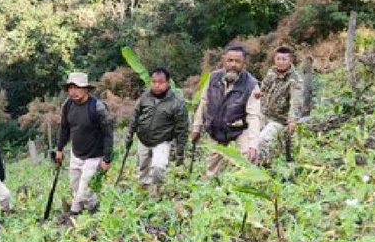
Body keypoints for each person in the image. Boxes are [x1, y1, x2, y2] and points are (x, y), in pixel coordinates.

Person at [191, 46, 262, 176]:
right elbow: (204, 103)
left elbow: (253, 116)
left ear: (244, 63)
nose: (233, 64)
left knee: (248, 160)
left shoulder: (251, 85)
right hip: (216, 127)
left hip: (240, 127)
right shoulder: (213, 78)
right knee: (211, 169)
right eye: (230, 60)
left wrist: (253, 145)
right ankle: (211, 186)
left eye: (237, 61)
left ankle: (245, 184)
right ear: (224, 61)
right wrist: (197, 128)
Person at [54, 72, 114, 214]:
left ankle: (84, 211)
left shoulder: (97, 107)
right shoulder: (67, 105)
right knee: (76, 187)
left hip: (94, 155)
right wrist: (60, 149)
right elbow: (64, 129)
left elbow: (108, 134)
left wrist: (107, 159)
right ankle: (86, 211)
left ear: (86, 89)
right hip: (76, 154)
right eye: (70, 88)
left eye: (77, 88)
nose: (73, 92)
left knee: (84, 191)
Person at [124, 68, 188, 195]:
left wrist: (180, 152)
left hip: (162, 141)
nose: (157, 85)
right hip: (143, 139)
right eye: (154, 82)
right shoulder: (144, 97)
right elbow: (135, 116)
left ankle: (156, 191)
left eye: (160, 82)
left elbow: (182, 129)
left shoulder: (176, 103)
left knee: (159, 167)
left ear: (168, 83)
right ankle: (144, 191)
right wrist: (129, 134)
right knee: (143, 167)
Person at [256, 46, 303, 162]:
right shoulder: (271, 72)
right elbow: (263, 88)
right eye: (278, 59)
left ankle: (260, 165)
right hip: (263, 114)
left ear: (290, 60)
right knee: (250, 139)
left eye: (284, 59)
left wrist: (292, 120)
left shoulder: (295, 80)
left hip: (279, 119)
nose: (280, 62)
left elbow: (295, 102)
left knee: (262, 141)